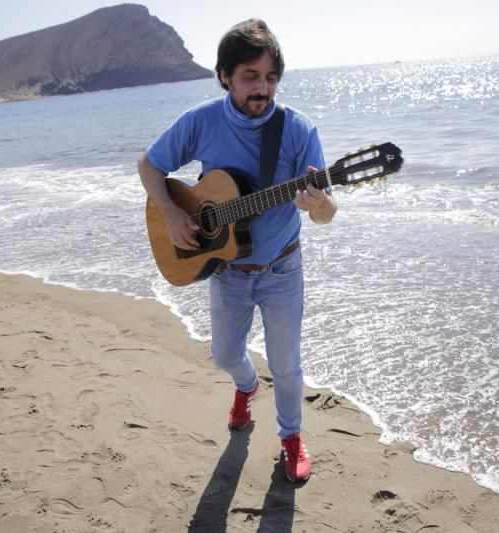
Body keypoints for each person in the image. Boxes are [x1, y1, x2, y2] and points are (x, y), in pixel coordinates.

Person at [138, 18, 336, 483]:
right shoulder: (201, 121)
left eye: (271, 78)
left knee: (286, 363)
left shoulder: (299, 130)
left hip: (282, 267)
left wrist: (320, 203)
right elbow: (149, 166)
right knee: (225, 355)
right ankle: (246, 386)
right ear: (225, 75)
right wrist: (170, 211)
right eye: (250, 76)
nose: (262, 88)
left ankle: (290, 437)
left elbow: (326, 214)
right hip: (227, 269)